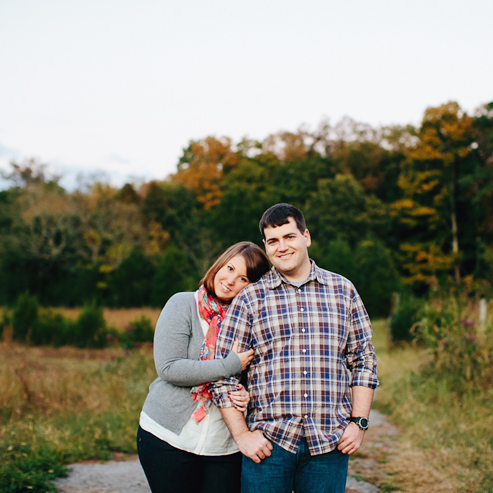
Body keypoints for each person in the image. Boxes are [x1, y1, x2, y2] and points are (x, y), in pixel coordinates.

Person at [211, 203, 379, 493]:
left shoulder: (343, 291)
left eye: (290, 237)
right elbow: (222, 372)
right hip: (268, 444)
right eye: (273, 241)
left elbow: (363, 360)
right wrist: (242, 436)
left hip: (329, 443)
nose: (282, 247)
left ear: (306, 237)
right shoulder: (251, 298)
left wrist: (359, 423)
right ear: (266, 246)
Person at [137, 241, 270, 493]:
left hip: (224, 445)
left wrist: (247, 393)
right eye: (229, 268)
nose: (231, 280)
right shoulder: (182, 304)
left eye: (243, 278)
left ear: (254, 287)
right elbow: (169, 368)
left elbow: (262, 377)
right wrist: (230, 365)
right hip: (167, 437)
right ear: (220, 263)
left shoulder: (253, 323)